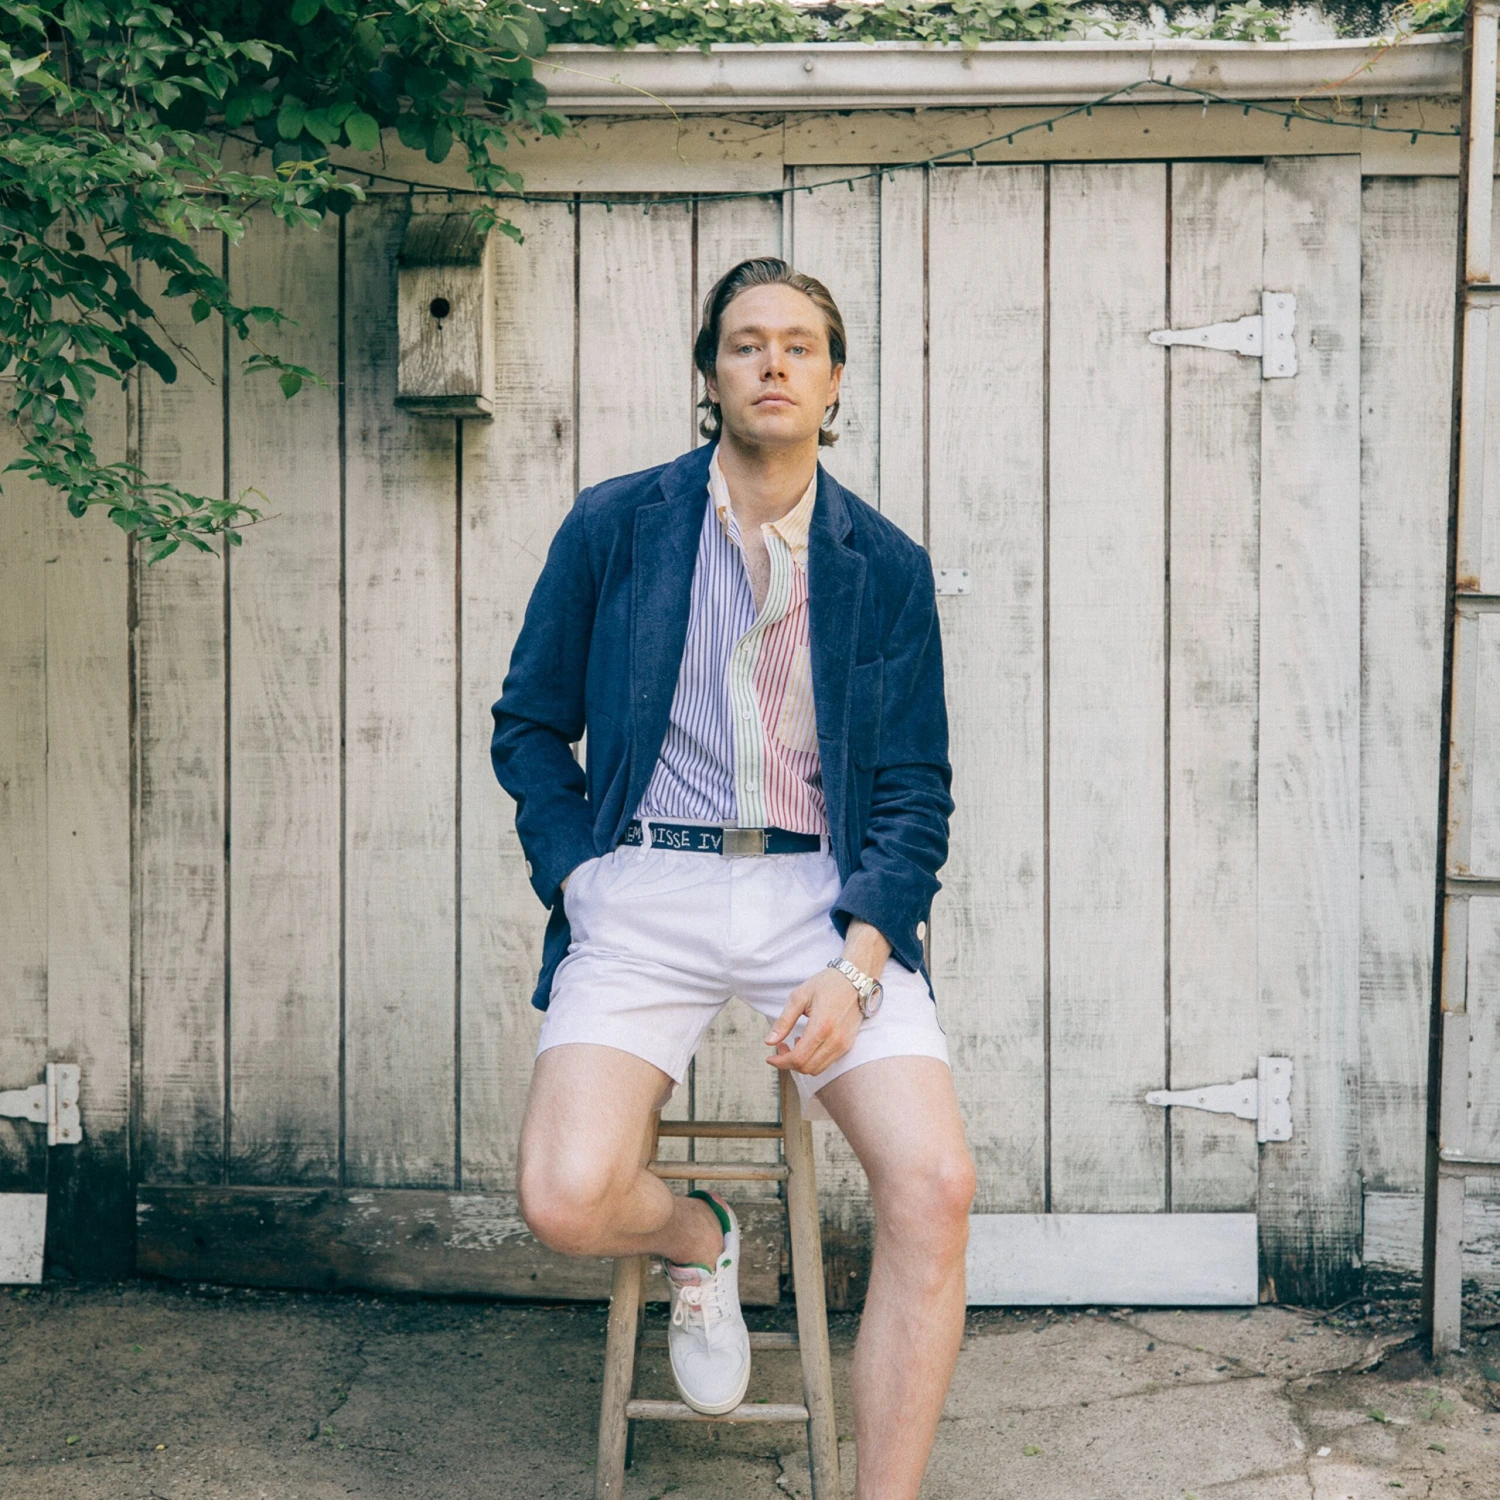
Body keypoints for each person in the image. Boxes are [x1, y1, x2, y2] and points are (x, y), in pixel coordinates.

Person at [492, 256, 976, 1500]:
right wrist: (578, 878)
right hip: (644, 884)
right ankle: (698, 1236)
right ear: (709, 373)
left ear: (834, 379)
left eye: (799, 345)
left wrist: (859, 964)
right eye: (747, 342)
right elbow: (529, 724)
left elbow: (914, 794)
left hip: (820, 901)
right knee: (563, 1198)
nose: (773, 362)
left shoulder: (884, 564)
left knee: (935, 1188)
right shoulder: (618, 525)